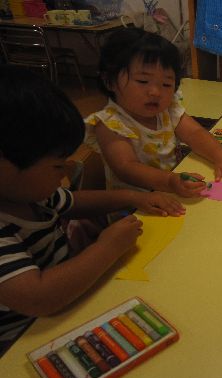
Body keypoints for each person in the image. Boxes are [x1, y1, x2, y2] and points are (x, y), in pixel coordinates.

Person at [0, 65, 185, 356]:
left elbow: (74, 202)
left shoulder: (28, 193)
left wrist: (132, 198)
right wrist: (108, 247)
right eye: (56, 166)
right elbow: (39, 298)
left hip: (67, 307)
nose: (63, 175)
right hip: (21, 343)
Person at [85, 27, 222, 198]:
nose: (156, 92)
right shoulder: (110, 123)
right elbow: (126, 168)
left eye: (166, 84)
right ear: (109, 81)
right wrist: (169, 181)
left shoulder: (167, 109)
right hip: (134, 203)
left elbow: (195, 133)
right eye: (143, 81)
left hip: (173, 189)